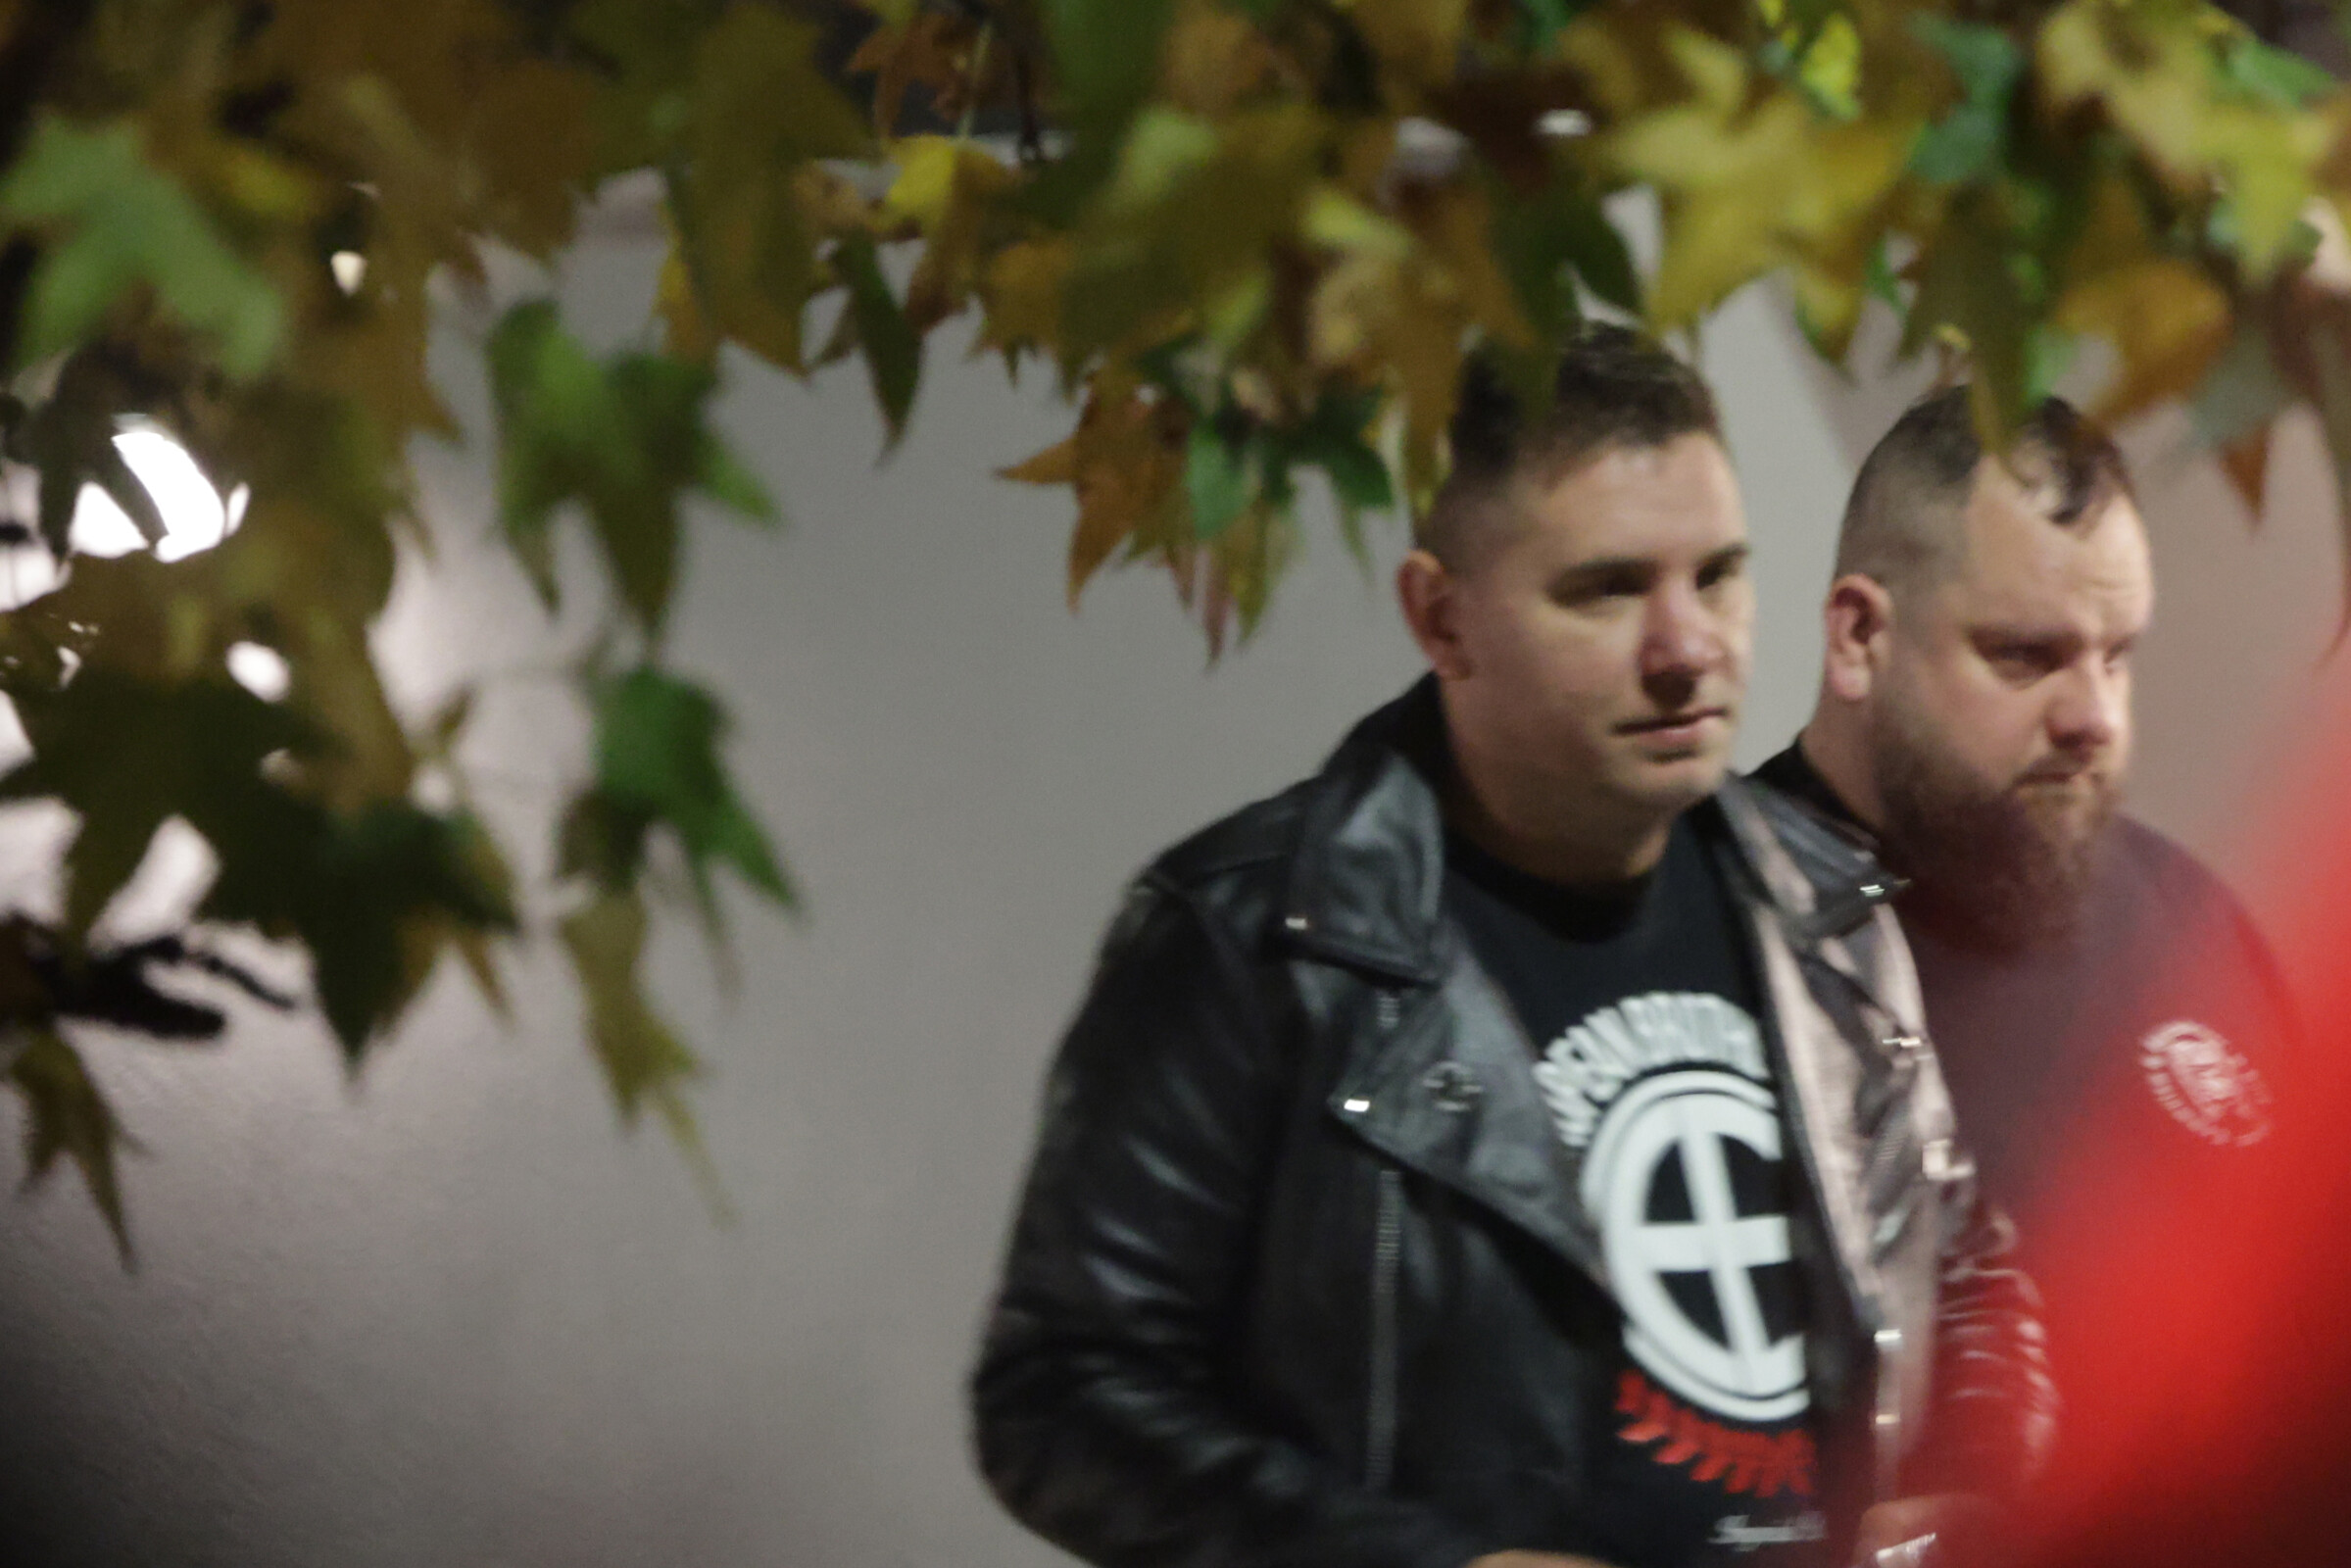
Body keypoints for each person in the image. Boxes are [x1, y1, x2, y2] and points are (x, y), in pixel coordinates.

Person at [971, 329, 2054, 1568]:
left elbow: (1960, 1270)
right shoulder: (1254, 939)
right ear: (1442, 619)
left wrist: (1976, 1482)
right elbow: (1059, 1397)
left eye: (1717, 576)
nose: (1687, 647)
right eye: (1607, 588)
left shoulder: (1831, 912)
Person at [1752, 388, 2301, 1404]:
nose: (2093, 716)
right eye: (2024, 655)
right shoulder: (1722, 939)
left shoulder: (2189, 919)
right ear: (1859, 636)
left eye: (2115, 656)